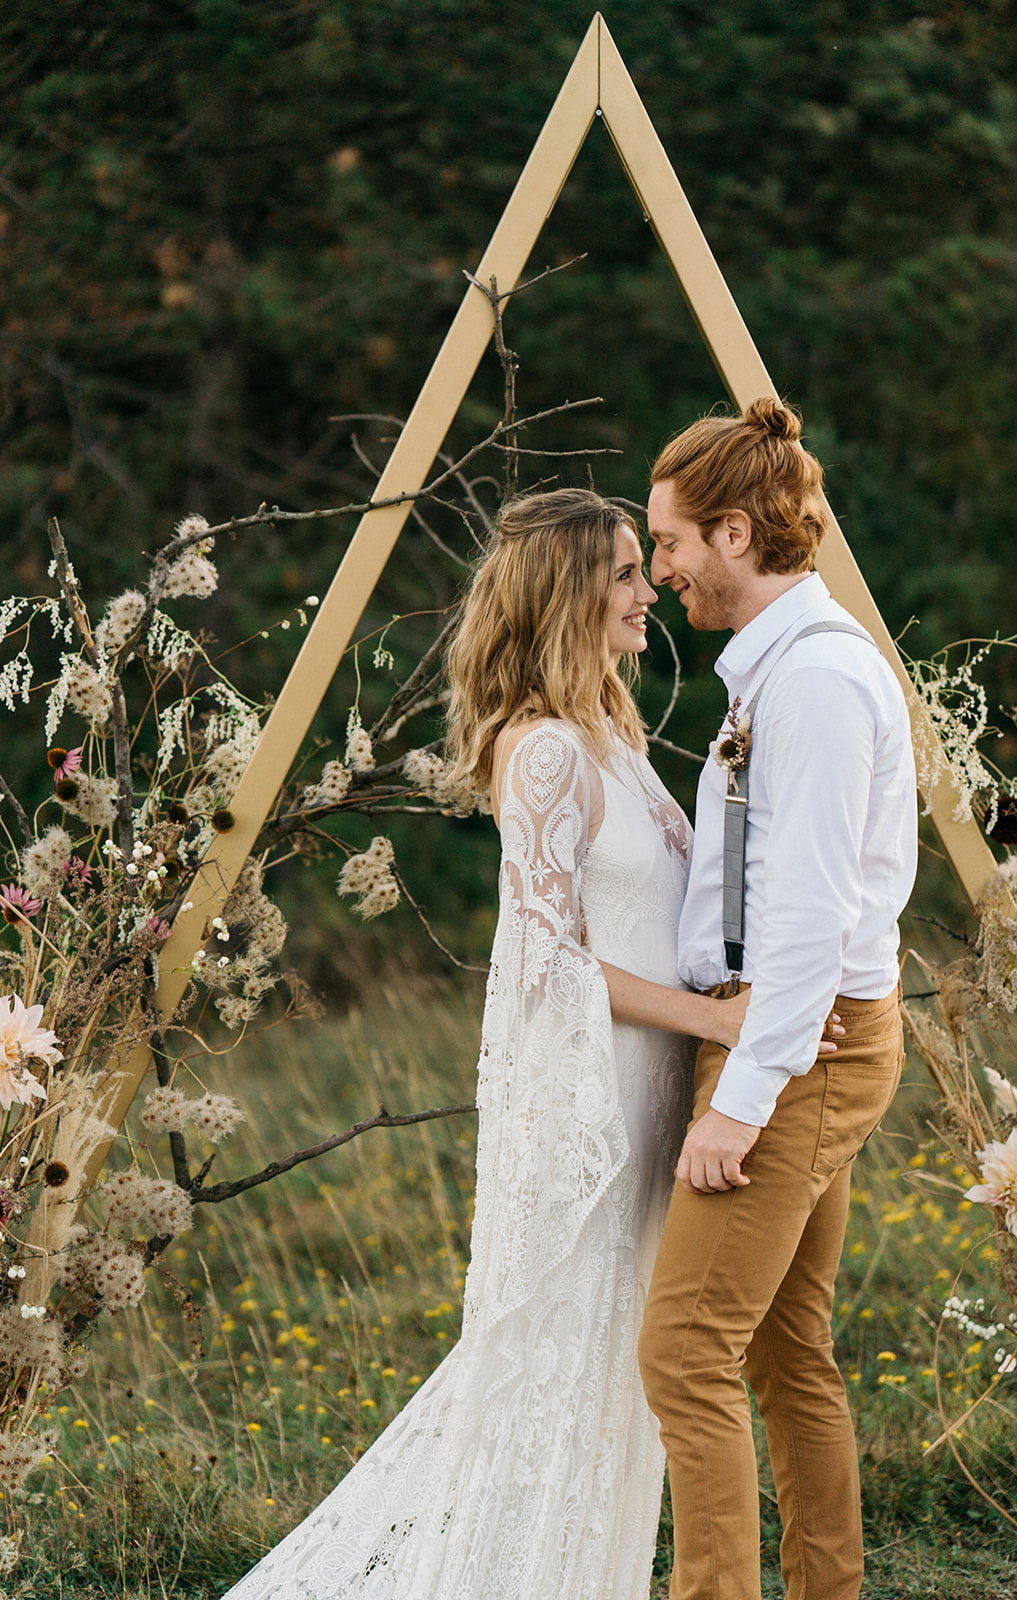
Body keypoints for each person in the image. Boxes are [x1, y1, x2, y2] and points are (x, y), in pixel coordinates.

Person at [221, 487, 805, 1600]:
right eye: (624, 573)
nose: (649, 591)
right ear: (566, 594)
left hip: (653, 1094)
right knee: (559, 1366)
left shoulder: (615, 737)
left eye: (644, 567)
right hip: (596, 1104)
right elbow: (542, 962)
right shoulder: (543, 752)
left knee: (617, 1376)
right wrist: (715, 1021)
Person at [637, 398, 917, 1600]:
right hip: (794, 1033)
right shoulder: (782, 670)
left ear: (737, 534)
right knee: (787, 1350)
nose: (660, 571)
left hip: (797, 1046)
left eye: (671, 543)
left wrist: (740, 1102)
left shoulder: (817, 683)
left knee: (685, 1351)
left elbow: (810, 917)